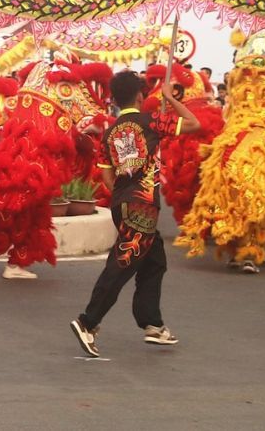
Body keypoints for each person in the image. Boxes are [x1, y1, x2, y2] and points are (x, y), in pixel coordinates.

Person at [70, 69, 201, 358]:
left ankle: (152, 324)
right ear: (141, 96)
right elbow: (193, 123)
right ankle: (88, 322)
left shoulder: (110, 132)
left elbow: (106, 179)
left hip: (122, 203)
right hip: (142, 205)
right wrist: (169, 98)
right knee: (122, 264)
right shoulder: (151, 121)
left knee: (155, 262)